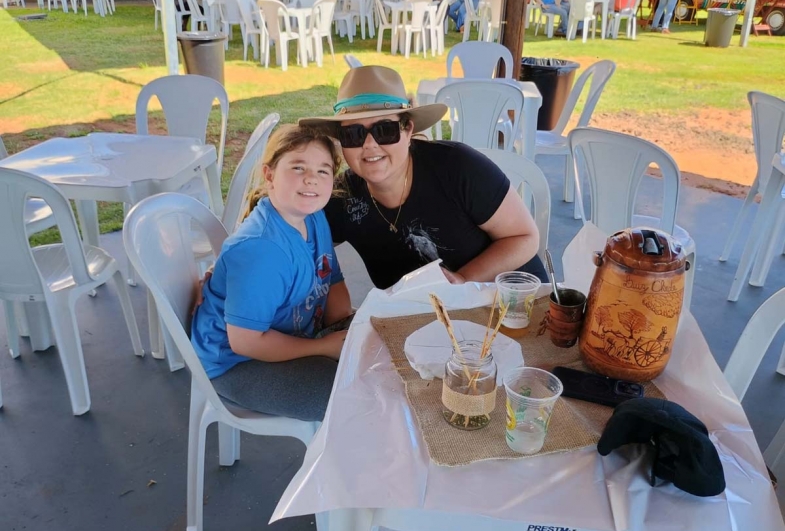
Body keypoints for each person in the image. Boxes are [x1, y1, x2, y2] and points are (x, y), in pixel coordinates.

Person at [299, 66, 548, 291]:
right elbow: (295, 240)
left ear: (408, 130)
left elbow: (525, 238)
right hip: (422, 318)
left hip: (512, 300)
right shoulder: (343, 198)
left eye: (384, 130)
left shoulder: (456, 166)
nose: (369, 144)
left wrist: (463, 278)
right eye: (353, 134)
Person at [190, 125, 353, 422]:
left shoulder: (314, 216)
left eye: (323, 170)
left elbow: (332, 280)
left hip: (293, 335)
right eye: (298, 167)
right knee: (354, 395)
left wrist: (344, 328)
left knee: (379, 358)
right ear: (269, 174)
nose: (311, 179)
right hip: (237, 362)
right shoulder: (261, 252)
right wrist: (323, 346)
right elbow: (247, 342)